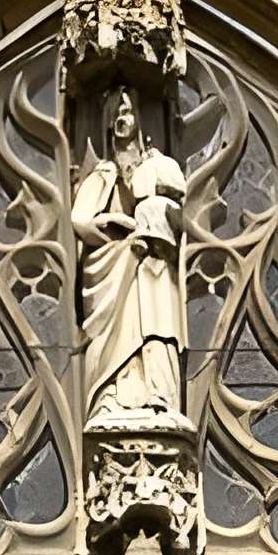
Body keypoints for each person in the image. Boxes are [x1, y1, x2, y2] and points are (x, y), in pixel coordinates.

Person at [72, 88, 187, 421]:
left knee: (157, 322)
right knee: (118, 339)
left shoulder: (160, 166)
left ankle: (159, 394)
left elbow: (177, 203)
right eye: (115, 115)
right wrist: (111, 223)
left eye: (127, 112)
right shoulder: (103, 174)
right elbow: (80, 220)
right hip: (113, 270)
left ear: (140, 120)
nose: (121, 120)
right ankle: (111, 397)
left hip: (154, 266)